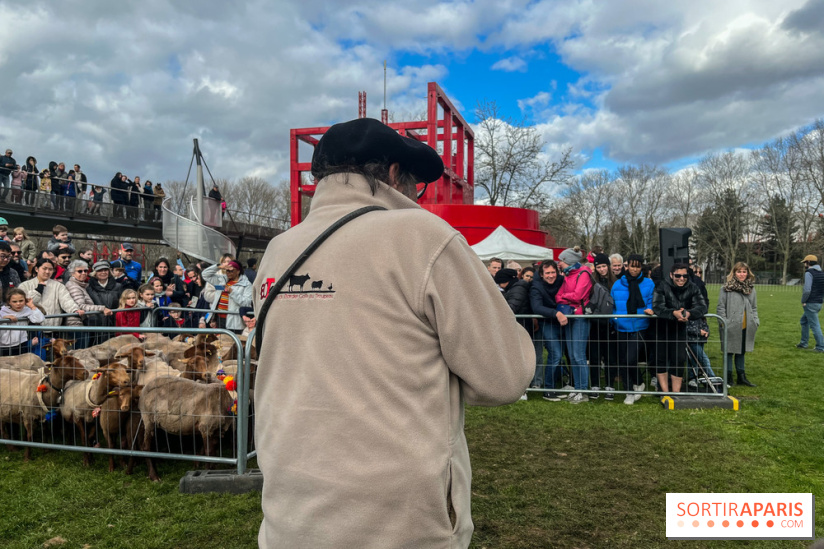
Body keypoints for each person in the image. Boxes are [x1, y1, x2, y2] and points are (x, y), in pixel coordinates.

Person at [252, 117, 534, 548]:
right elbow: (505, 376)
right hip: (401, 521)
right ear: (392, 174)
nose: (415, 195)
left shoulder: (278, 249)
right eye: (415, 183)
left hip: (289, 510)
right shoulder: (422, 236)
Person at [652, 263, 708, 395]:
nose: (681, 279)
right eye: (678, 275)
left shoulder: (693, 287)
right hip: (662, 328)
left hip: (680, 329)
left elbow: (702, 306)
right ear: (671, 275)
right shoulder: (661, 286)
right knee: (661, 359)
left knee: (679, 359)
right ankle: (664, 392)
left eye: (684, 276)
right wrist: (673, 313)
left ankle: (676, 393)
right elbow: (657, 307)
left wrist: (689, 313)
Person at [610, 254, 655, 404]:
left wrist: (649, 309)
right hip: (621, 326)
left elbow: (651, 301)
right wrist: (614, 318)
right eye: (632, 265)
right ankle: (629, 390)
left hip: (639, 326)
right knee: (623, 361)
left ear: (641, 267)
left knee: (631, 359)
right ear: (627, 266)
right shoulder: (617, 285)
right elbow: (613, 304)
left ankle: (639, 382)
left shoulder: (649, 284)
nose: (634, 269)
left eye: (638, 266)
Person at [555, 247, 593, 403]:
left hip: (580, 318)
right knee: (572, 355)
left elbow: (578, 296)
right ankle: (577, 388)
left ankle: (583, 391)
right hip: (570, 316)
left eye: (561, 261)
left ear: (568, 261)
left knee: (579, 356)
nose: (559, 264)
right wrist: (566, 298)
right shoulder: (568, 275)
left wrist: (565, 297)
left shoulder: (584, 273)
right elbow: (558, 296)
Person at [716, 262, 759, 387]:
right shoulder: (726, 288)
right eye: (739, 271)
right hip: (731, 325)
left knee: (741, 351)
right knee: (729, 351)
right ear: (734, 273)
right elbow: (720, 307)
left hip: (746, 325)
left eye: (744, 271)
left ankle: (741, 377)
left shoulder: (751, 288)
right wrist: (724, 322)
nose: (742, 274)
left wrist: (755, 321)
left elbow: (754, 307)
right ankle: (728, 377)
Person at [65, 259, 113, 349]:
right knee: (79, 353)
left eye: (85, 271)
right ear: (72, 273)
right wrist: (102, 308)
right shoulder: (73, 286)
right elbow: (81, 306)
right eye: (80, 271)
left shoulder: (81, 285)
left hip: (82, 323)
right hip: (76, 325)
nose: (83, 273)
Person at [587, 253, 617, 399]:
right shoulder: (592, 282)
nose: (602, 269)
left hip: (611, 324)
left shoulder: (615, 283)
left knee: (610, 356)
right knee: (594, 356)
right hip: (595, 324)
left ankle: (610, 385)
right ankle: (595, 385)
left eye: (604, 266)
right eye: (599, 267)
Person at [201, 258, 252, 333]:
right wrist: (219, 266)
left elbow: (247, 303)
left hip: (234, 322)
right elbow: (205, 275)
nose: (228, 273)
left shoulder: (247, 285)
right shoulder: (222, 280)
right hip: (219, 318)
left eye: (231, 271)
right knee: (221, 343)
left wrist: (232, 292)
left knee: (232, 343)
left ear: (238, 271)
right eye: (227, 270)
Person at [0, 289, 45, 356]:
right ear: (9, 302)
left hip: (21, 343)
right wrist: (4, 318)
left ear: (25, 300)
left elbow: (39, 319)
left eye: (21, 301)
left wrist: (32, 306)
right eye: (14, 301)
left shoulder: (27, 310)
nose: (18, 304)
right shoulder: (3, 311)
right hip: (4, 346)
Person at [797, 254, 824, 353]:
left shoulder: (809, 273)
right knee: (804, 321)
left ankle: (820, 347)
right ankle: (803, 343)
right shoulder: (821, 273)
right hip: (818, 303)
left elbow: (807, 290)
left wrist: (803, 300)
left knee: (815, 325)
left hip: (810, 303)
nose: (804, 264)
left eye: (805, 262)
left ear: (808, 263)